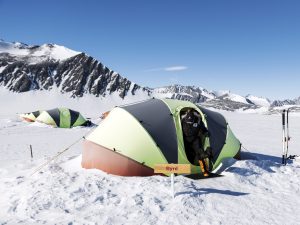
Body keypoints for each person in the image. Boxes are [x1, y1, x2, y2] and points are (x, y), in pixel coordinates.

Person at [181, 109, 212, 176]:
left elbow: (202, 128)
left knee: (199, 153)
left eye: (191, 122)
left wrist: (205, 132)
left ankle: (205, 171)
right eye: (188, 122)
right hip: (185, 140)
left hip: (195, 139)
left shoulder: (198, 120)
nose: (189, 123)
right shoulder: (182, 120)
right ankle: (183, 170)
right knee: (187, 154)